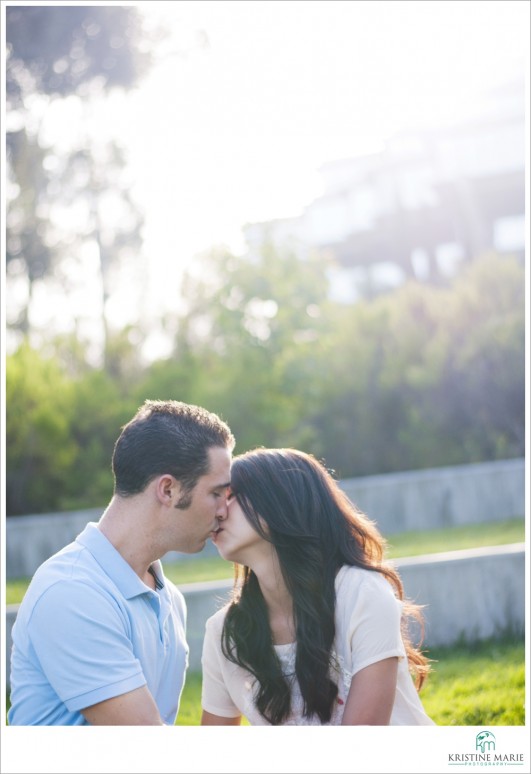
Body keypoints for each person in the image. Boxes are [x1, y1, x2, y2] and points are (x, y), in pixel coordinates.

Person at [8, 399, 235, 726]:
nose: (223, 510)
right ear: (168, 490)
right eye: (216, 493)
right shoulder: (72, 593)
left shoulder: (169, 598)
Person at [201, 447, 435, 726]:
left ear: (280, 500)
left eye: (227, 496)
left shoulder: (362, 593)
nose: (215, 511)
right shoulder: (224, 632)